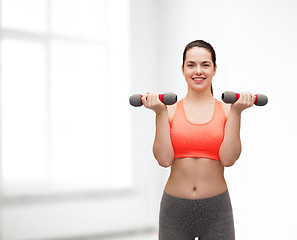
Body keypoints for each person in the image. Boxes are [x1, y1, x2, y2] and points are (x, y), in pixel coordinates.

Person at [141, 40, 256, 240]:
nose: (198, 71)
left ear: (214, 69)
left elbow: (228, 159)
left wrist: (237, 111)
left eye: (205, 64)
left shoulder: (228, 111)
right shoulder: (169, 111)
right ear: (183, 69)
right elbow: (164, 159)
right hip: (175, 209)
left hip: (216, 210)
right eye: (191, 65)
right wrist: (159, 112)